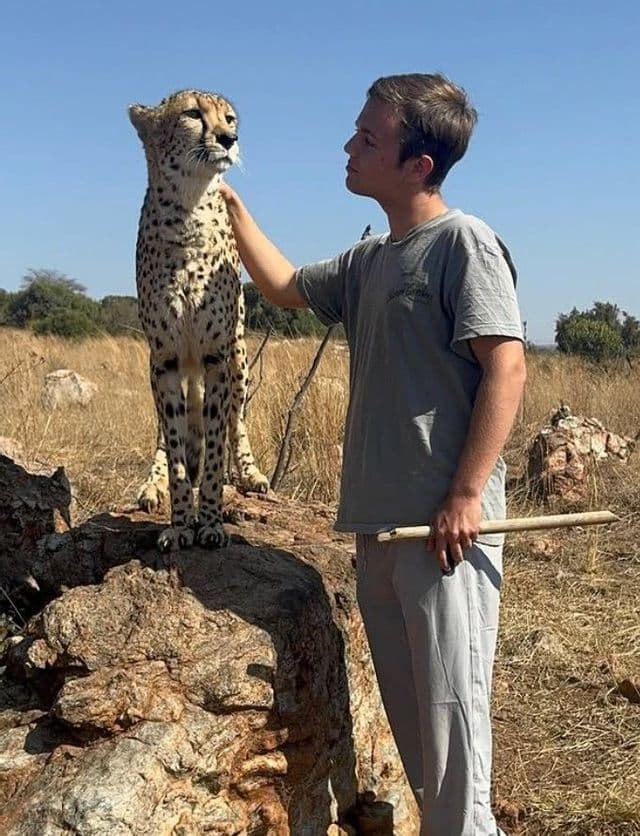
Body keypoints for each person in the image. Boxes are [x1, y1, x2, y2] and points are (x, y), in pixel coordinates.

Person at [220, 73, 526, 836]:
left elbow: (507, 367)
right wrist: (228, 207)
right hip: (378, 531)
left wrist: (465, 495)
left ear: (419, 164)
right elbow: (286, 286)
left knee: (456, 740)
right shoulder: (369, 262)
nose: (349, 148)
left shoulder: (463, 243)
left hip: (443, 534)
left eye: (368, 138)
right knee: (421, 739)